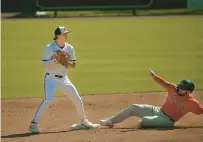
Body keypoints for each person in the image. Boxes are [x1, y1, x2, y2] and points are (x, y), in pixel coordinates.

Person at [29, 26, 100, 133]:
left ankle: (83, 121)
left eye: (66, 34)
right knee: (49, 99)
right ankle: (33, 124)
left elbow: (73, 65)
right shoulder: (49, 47)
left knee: (77, 99)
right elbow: (44, 64)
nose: (66, 35)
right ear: (57, 36)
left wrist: (65, 61)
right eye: (64, 34)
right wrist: (55, 61)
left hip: (64, 79)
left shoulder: (70, 48)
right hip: (51, 79)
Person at [100, 69, 203, 128]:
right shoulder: (173, 88)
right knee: (134, 107)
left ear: (189, 91)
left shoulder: (192, 103)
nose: (178, 89)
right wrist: (154, 75)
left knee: (144, 121)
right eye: (179, 87)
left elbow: (201, 111)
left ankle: (150, 124)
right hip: (158, 110)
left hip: (167, 120)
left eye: (182, 89)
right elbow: (163, 82)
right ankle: (110, 121)